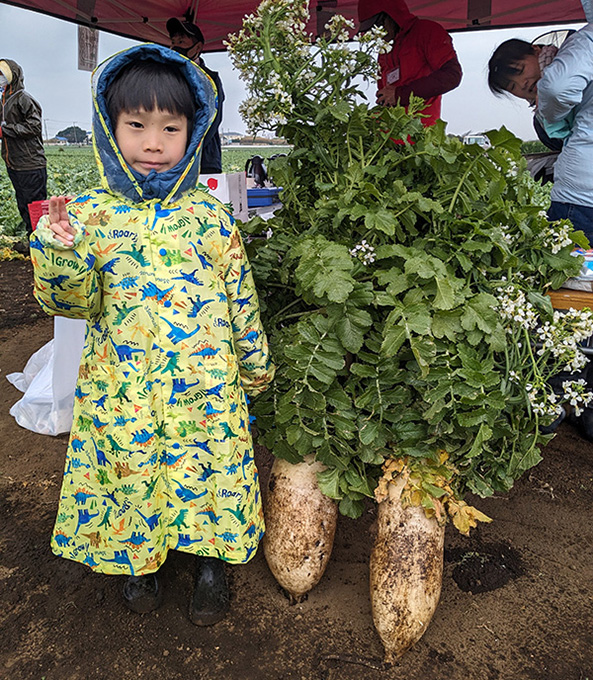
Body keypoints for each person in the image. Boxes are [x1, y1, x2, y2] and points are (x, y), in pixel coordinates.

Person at [29, 43, 275, 624]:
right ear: (110, 130)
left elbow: (240, 296)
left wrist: (255, 365)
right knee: (130, 470)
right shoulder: (89, 217)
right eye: (136, 125)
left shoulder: (210, 216)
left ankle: (211, 566)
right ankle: (139, 562)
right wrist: (59, 252)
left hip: (206, 385)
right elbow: (69, 303)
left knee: (208, 466)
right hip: (124, 386)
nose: (154, 142)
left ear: (192, 134)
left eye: (171, 127)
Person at [357, 0, 462, 127]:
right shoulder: (385, 49)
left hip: (420, 136)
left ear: (390, 16)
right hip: (389, 137)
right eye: (371, 31)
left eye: (377, 27)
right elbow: (386, 94)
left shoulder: (427, 31)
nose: (376, 35)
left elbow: (452, 76)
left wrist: (400, 94)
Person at [487, 38, 575, 153]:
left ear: (536, 50)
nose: (522, 84)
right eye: (513, 87)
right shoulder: (541, 124)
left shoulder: (575, 62)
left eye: (521, 70)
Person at [167, 16, 224, 174]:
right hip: (172, 159)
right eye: (173, 42)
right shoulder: (166, 76)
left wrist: (191, 149)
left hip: (204, 160)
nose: (175, 47)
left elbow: (214, 119)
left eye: (181, 42)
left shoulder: (211, 79)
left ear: (197, 47)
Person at [0, 59, 47, 235]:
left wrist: (4, 130)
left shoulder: (24, 99)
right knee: (23, 204)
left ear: (12, 76)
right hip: (14, 162)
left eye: (2, 75)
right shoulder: (4, 101)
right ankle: (32, 240)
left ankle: (40, 243)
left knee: (35, 206)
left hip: (30, 163)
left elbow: (34, 127)